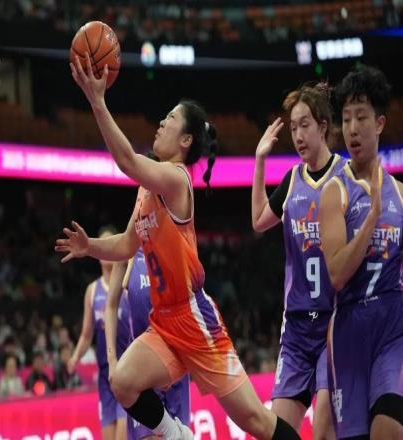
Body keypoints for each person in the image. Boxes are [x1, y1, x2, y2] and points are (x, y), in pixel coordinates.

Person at [55, 53, 300, 439]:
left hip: (194, 317)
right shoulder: (146, 191)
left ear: (185, 140)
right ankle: (178, 434)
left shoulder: (176, 179)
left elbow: (126, 160)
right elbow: (126, 245)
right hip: (165, 321)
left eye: (169, 119)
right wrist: (90, 247)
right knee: (123, 382)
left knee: (256, 421)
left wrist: (97, 101)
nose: (161, 123)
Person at [251, 82, 341, 438]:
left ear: (323, 126)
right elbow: (259, 220)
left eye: (305, 125)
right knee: (280, 430)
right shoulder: (292, 181)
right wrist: (260, 160)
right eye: (292, 128)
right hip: (297, 329)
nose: (298, 135)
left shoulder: (345, 177)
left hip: (335, 323)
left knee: (323, 432)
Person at [319, 65, 403, 439]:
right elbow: (337, 274)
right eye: (346, 118)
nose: (352, 128)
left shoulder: (400, 193)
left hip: (393, 325)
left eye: (361, 117)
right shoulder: (334, 193)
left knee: (389, 427)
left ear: (380, 123)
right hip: (350, 328)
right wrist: (371, 221)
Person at [105, 248, 191, 439]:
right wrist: (112, 360)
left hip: (174, 365)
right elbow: (110, 306)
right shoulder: (127, 249)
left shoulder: (175, 246)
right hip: (141, 370)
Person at [66, 225, 130, 440]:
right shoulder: (92, 291)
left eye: (110, 243)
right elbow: (86, 335)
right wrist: (75, 357)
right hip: (105, 378)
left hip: (127, 371)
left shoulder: (126, 284)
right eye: (102, 243)